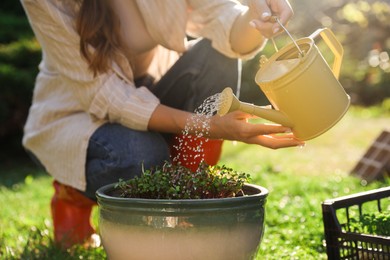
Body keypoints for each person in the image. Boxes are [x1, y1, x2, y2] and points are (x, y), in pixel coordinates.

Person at [21, 0, 304, 249]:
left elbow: (224, 18)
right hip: (79, 115)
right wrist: (211, 126)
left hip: (152, 92)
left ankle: (185, 209)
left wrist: (256, 19)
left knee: (219, 57)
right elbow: (109, 97)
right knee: (143, 156)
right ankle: (72, 193)